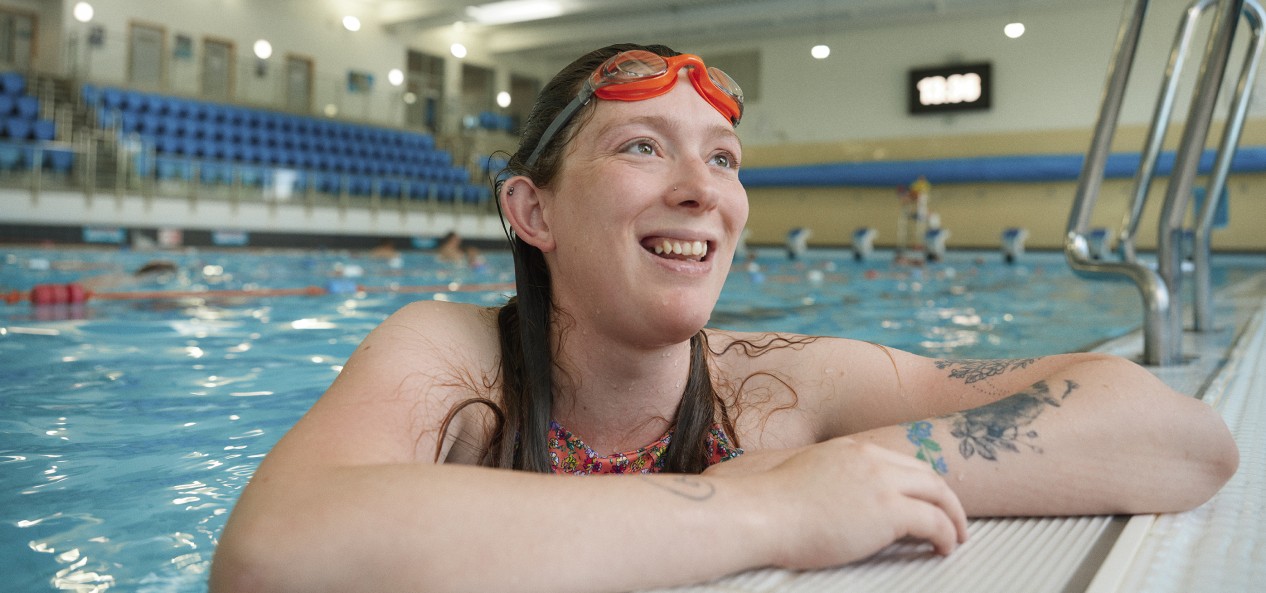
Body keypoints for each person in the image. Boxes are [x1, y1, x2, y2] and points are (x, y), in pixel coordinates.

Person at [209, 43, 1238, 593]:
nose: (704, 189)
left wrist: (851, 461)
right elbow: (272, 554)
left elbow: (1179, 437)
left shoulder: (781, 384)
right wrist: (769, 508)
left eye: (724, 158)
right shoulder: (453, 358)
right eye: (643, 147)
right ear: (531, 211)